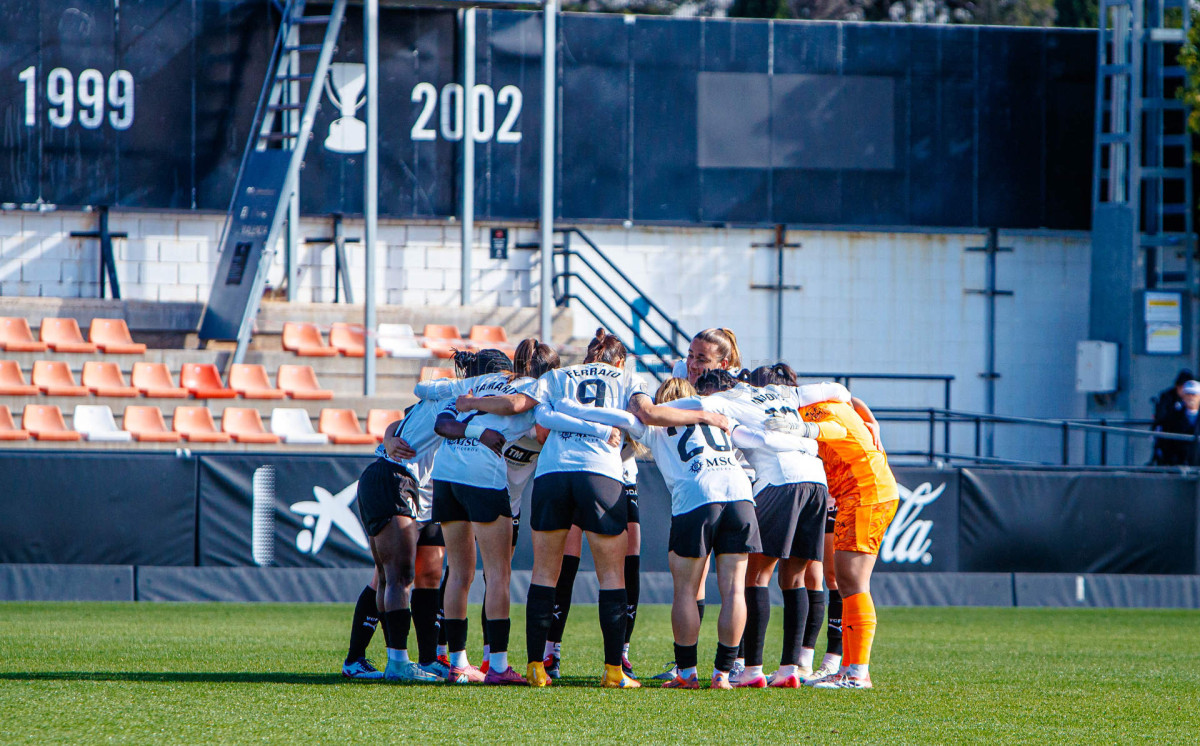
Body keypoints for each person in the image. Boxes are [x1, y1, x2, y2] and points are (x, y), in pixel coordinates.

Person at [520, 329, 729, 688]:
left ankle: (536, 667)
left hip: (553, 471)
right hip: (600, 473)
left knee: (543, 573)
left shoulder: (559, 375)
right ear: (619, 361)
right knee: (612, 576)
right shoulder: (629, 377)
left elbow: (537, 416)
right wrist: (702, 416)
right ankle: (614, 670)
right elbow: (644, 415)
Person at [797, 395, 899, 690]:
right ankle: (847, 669)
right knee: (845, 581)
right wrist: (872, 421)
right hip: (862, 492)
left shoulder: (801, 412)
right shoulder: (822, 399)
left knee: (853, 581)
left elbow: (834, 425)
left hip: (864, 493)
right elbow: (847, 396)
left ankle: (858, 674)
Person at [351, 411, 441, 683]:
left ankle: (428, 660)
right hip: (403, 485)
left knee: (429, 576)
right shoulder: (450, 398)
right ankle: (365, 659)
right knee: (390, 577)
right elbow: (406, 418)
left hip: (431, 497)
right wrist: (389, 439)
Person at [1152, 379, 1200, 466]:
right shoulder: (1174, 417)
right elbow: (1166, 442)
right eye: (1188, 394)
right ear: (1183, 396)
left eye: (1194, 394)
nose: (1191, 398)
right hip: (1179, 466)